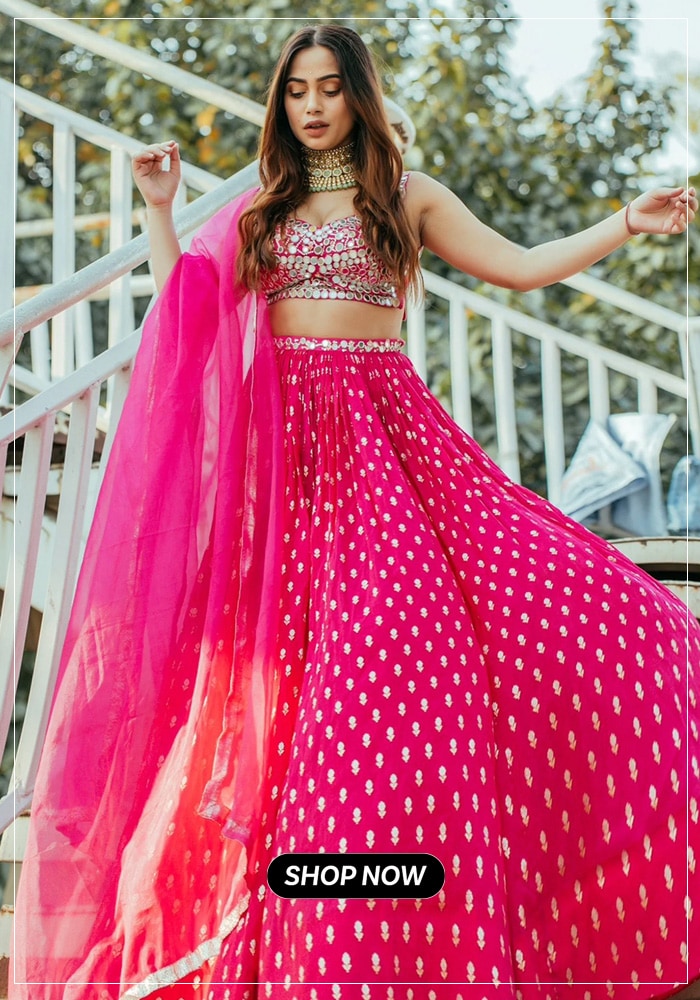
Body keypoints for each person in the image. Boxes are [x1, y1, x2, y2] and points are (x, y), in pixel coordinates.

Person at [9, 22, 700, 1000]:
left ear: (359, 94)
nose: (312, 106)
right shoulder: (261, 209)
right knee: (295, 709)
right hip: (289, 475)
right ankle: (307, 951)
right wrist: (160, 208)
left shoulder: (404, 196)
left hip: (390, 459)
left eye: (330, 88)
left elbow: (521, 264)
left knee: (429, 671)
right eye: (297, 91)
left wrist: (626, 220)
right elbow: (189, 309)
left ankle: (399, 948)